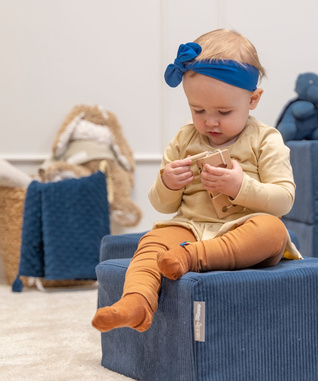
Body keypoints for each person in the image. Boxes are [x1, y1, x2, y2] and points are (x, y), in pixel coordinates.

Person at [91, 28, 301, 333]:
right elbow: (161, 205)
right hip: (190, 227)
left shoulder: (266, 140)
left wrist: (241, 187)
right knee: (152, 242)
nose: (210, 121)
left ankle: (190, 257)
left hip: (243, 229)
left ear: (253, 99)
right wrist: (168, 183)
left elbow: (284, 198)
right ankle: (135, 303)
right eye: (197, 110)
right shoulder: (184, 138)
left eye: (224, 111)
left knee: (272, 230)